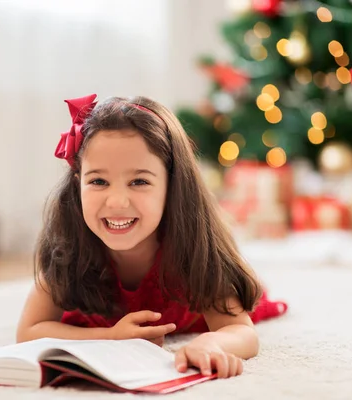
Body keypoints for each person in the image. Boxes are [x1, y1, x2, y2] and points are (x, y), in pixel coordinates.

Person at [16, 94, 288, 379]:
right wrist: (111, 337)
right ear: (77, 184)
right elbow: (30, 331)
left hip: (190, 313)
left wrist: (212, 342)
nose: (117, 202)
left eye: (139, 181)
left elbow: (241, 330)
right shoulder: (69, 247)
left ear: (172, 186)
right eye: (98, 181)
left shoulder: (194, 248)